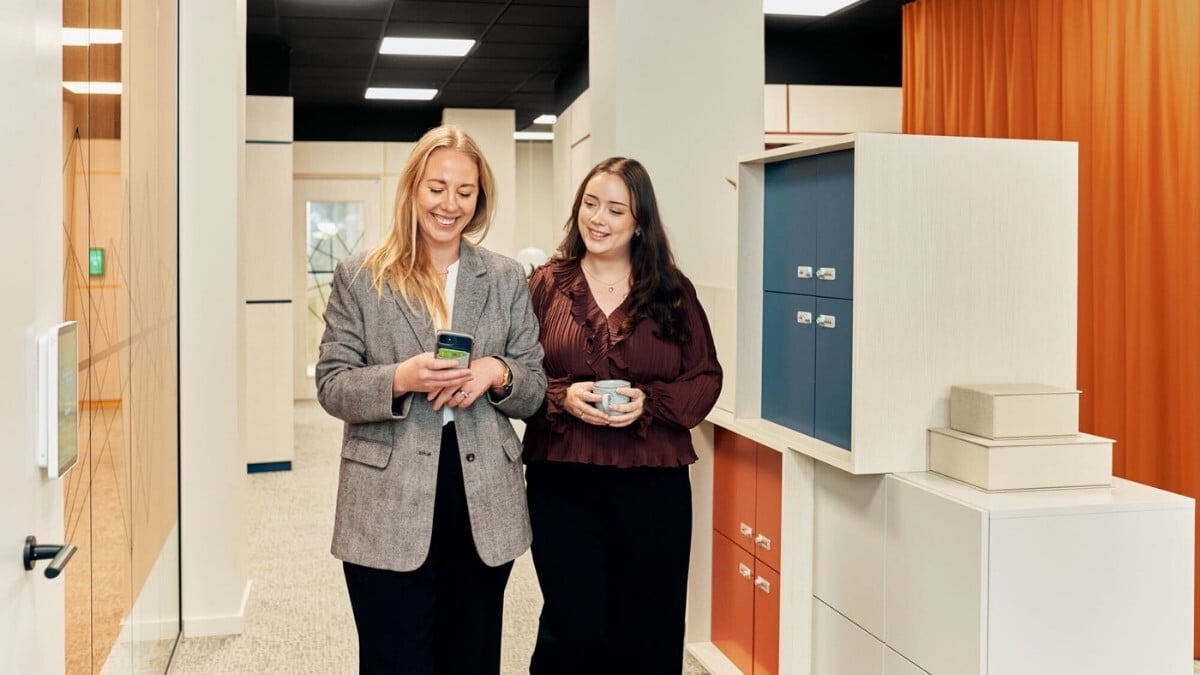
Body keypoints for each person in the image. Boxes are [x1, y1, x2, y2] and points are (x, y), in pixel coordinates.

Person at [315, 124, 546, 675]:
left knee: (472, 657)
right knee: (395, 659)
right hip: (386, 500)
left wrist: (496, 372)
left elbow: (534, 387)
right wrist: (402, 378)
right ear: (413, 188)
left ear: (480, 198)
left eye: (465, 192)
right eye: (437, 187)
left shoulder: (507, 277)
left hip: (482, 497)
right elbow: (331, 382)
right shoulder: (362, 276)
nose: (450, 204)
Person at [522, 157, 723, 674]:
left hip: (653, 485)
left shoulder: (672, 291)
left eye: (616, 209)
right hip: (563, 481)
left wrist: (649, 403)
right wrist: (560, 396)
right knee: (573, 626)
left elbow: (705, 377)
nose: (599, 219)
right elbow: (513, 373)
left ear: (640, 222)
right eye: (591, 204)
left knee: (650, 626)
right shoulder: (545, 285)